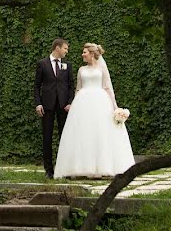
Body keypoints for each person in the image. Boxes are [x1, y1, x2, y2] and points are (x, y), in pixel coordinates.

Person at [54, 43, 135, 179]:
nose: (82, 54)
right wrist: (73, 104)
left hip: (100, 101)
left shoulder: (102, 69)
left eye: (84, 52)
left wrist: (115, 107)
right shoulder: (81, 70)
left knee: (101, 132)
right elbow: (78, 88)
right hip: (83, 103)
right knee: (83, 133)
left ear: (92, 54)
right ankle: (82, 167)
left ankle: (103, 166)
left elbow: (108, 88)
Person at [34, 38, 74, 179]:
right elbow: (37, 86)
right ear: (57, 48)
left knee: (65, 138)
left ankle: (65, 169)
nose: (66, 51)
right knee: (47, 138)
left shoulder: (67, 65)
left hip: (64, 107)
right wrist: (38, 103)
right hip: (47, 106)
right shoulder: (42, 64)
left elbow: (71, 86)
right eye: (65, 48)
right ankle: (48, 170)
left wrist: (70, 102)